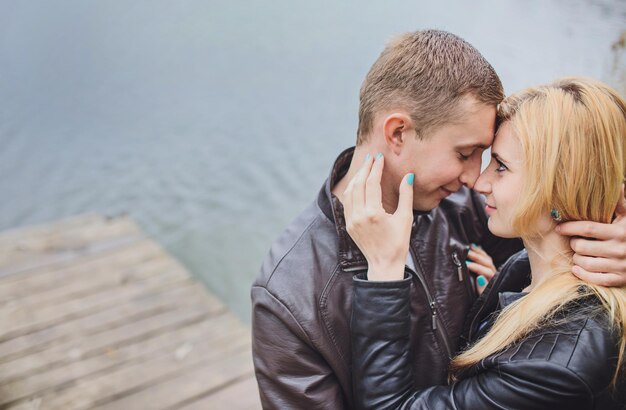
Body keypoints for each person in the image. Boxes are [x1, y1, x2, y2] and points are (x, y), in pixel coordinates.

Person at [251, 30, 626, 409]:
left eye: (489, 158)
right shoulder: (289, 297)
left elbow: (571, 191)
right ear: (398, 132)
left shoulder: (470, 206)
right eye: (465, 153)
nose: (474, 179)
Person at [346, 77, 626, 409]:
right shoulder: (524, 270)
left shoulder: (555, 369)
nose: (480, 182)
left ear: (559, 187)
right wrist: (505, 312)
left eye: (501, 167)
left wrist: (384, 270)